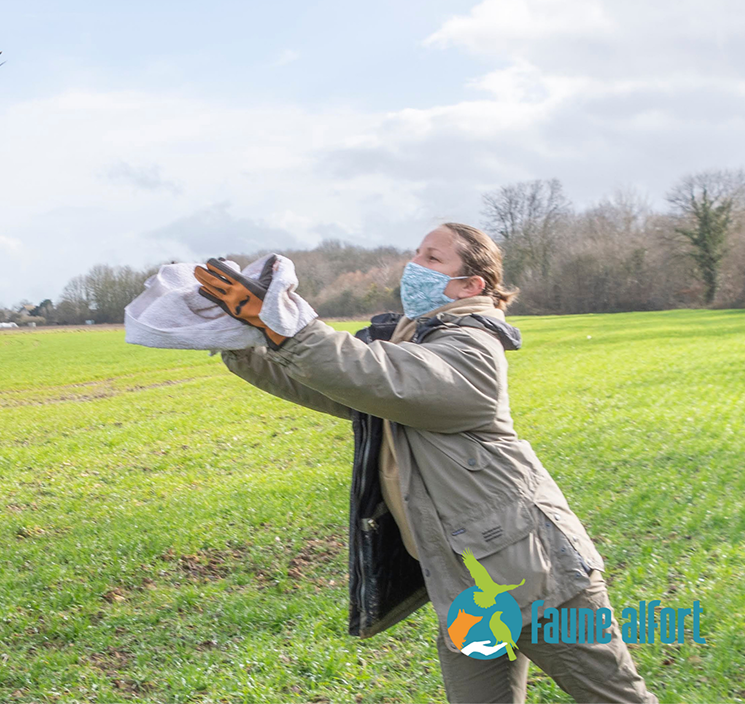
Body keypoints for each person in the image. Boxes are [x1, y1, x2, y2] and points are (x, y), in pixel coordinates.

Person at [196, 223, 654, 704]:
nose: (414, 266)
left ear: (471, 285)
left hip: (536, 572)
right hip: (466, 586)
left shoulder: (472, 343)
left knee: (615, 697)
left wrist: (294, 328)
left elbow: (380, 376)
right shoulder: (415, 338)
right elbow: (337, 384)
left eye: (433, 259)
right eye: (416, 254)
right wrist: (247, 340)